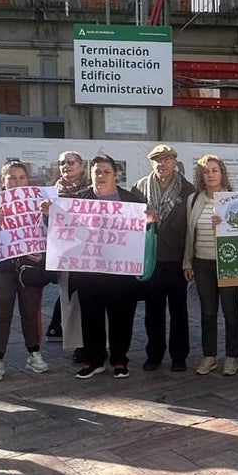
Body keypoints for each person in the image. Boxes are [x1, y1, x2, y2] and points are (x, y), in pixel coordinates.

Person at [66, 155, 152, 380]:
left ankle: (119, 360)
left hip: (120, 273)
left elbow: (143, 232)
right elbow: (61, 228)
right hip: (88, 273)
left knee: (121, 318)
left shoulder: (131, 201)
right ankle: (94, 360)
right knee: (90, 318)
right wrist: (49, 215)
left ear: (116, 175)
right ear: (91, 175)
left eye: (106, 172)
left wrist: (150, 221)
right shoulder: (78, 200)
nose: (101, 176)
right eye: (97, 172)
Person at [0, 160, 49, 382]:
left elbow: (49, 231)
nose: (17, 182)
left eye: (21, 178)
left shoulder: (39, 202)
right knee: (1, 313)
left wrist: (42, 251)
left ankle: (34, 353)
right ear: (2, 181)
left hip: (30, 265)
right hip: (1, 266)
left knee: (31, 312)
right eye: (11, 178)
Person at [136, 144, 196, 372]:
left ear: (175, 162)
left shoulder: (187, 190)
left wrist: (189, 260)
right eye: (157, 160)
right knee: (153, 311)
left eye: (167, 159)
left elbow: (192, 228)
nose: (162, 164)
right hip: (151, 258)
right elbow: (131, 222)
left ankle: (179, 356)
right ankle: (154, 354)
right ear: (152, 162)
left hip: (177, 259)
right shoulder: (140, 187)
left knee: (179, 310)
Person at [183, 154, 238, 376]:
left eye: (214, 170)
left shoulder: (234, 199)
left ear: (222, 173)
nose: (210, 174)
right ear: (201, 175)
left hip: (228, 263)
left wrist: (226, 226)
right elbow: (190, 235)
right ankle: (209, 356)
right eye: (206, 171)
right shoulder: (193, 200)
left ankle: (232, 357)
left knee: (231, 311)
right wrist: (187, 262)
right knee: (208, 312)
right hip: (202, 264)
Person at [46, 151, 89, 363]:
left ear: (81, 166)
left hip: (92, 255)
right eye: (62, 162)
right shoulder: (51, 193)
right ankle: (78, 345)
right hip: (65, 255)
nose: (66, 166)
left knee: (94, 301)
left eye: (71, 162)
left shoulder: (93, 191)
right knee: (69, 301)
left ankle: (99, 343)